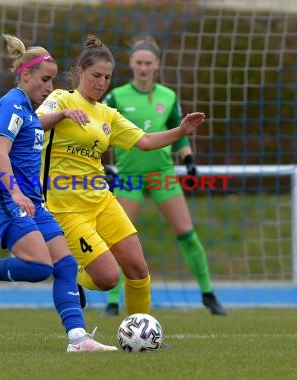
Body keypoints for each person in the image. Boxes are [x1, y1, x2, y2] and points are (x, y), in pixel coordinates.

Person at [0, 34, 117, 352]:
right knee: (39, 268)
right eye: (45, 80)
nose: (50, 88)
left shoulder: (26, 110)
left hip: (27, 201)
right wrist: (10, 193)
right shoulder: (12, 103)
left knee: (65, 266)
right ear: (25, 75)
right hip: (9, 200)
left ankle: (78, 339)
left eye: (52, 81)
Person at [36, 35, 206, 317]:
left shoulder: (108, 114)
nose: (102, 82)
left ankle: (140, 332)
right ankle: (73, 275)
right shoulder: (60, 99)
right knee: (108, 278)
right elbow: (34, 123)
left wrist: (180, 132)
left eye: (107, 77)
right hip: (66, 208)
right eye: (96, 75)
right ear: (80, 72)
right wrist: (64, 114)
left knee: (138, 269)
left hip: (102, 201)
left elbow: (147, 140)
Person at [102, 35, 226, 316]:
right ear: (131, 64)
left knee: (187, 234)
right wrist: (102, 165)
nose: (143, 68)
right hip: (129, 177)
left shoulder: (168, 97)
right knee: (117, 239)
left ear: (157, 65)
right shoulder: (116, 96)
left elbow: (179, 133)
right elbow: (102, 133)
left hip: (162, 175)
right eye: (138, 63)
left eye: (148, 63)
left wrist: (189, 158)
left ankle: (208, 294)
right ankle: (112, 301)